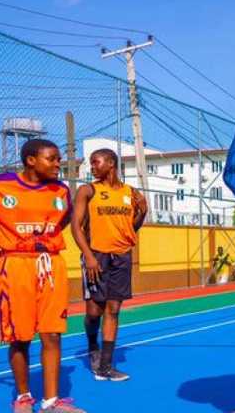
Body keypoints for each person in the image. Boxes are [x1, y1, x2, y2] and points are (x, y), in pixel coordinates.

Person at [0, 139, 85, 412]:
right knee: (20, 336)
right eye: (52, 159)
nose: (58, 164)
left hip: (50, 265)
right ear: (31, 160)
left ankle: (52, 401)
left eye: (59, 159)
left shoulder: (61, 191)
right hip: (14, 264)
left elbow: (65, 218)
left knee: (52, 334)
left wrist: (49, 234)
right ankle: (23, 397)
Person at [69, 148, 147, 382]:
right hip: (97, 256)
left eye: (95, 162)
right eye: (91, 163)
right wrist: (88, 256)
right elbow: (75, 226)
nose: (91, 167)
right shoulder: (88, 190)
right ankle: (93, 346)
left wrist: (143, 211)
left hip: (122, 256)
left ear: (111, 163)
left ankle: (105, 366)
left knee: (113, 310)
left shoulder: (130, 193)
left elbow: (130, 228)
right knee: (94, 312)